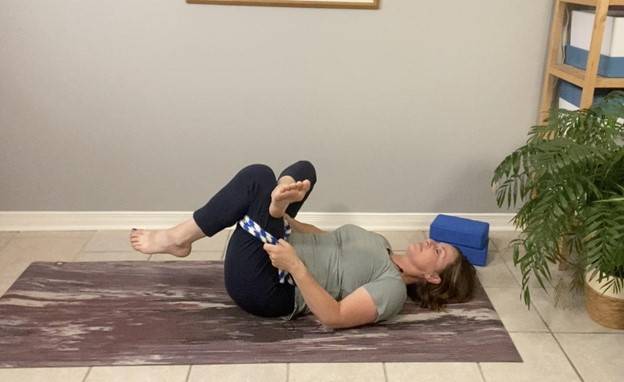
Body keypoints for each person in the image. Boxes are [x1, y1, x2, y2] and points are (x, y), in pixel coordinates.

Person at [129, 161, 477, 329]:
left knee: (256, 177)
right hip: (279, 246)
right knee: (304, 169)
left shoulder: (392, 290)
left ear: (433, 278)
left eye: (440, 252)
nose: (433, 243)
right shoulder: (380, 243)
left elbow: (335, 317)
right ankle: (277, 202)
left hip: (270, 287)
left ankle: (177, 239)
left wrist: (295, 265)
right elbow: (324, 236)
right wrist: (287, 221)